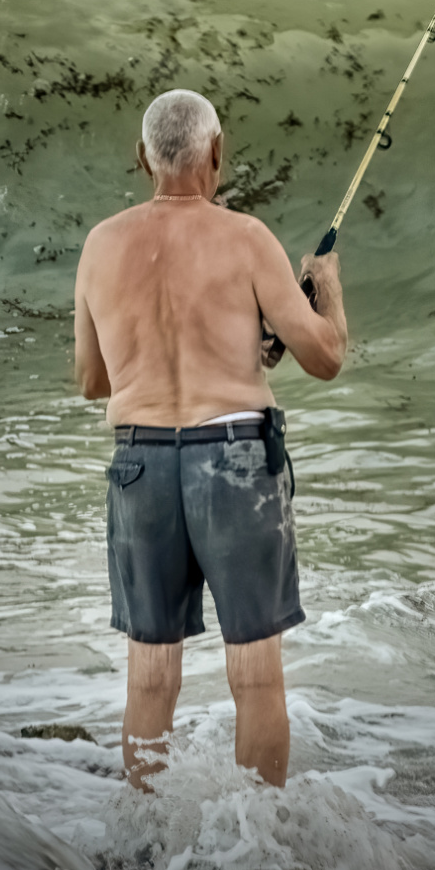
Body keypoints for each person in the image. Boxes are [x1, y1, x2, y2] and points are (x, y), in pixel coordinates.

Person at [72, 88, 347, 790]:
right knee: (255, 671)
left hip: (140, 462)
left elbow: (91, 380)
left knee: (150, 670)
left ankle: (145, 836)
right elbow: (325, 357)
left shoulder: (101, 244)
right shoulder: (249, 237)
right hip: (235, 460)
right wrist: (327, 290)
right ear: (216, 154)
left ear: (144, 159)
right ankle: (259, 844)